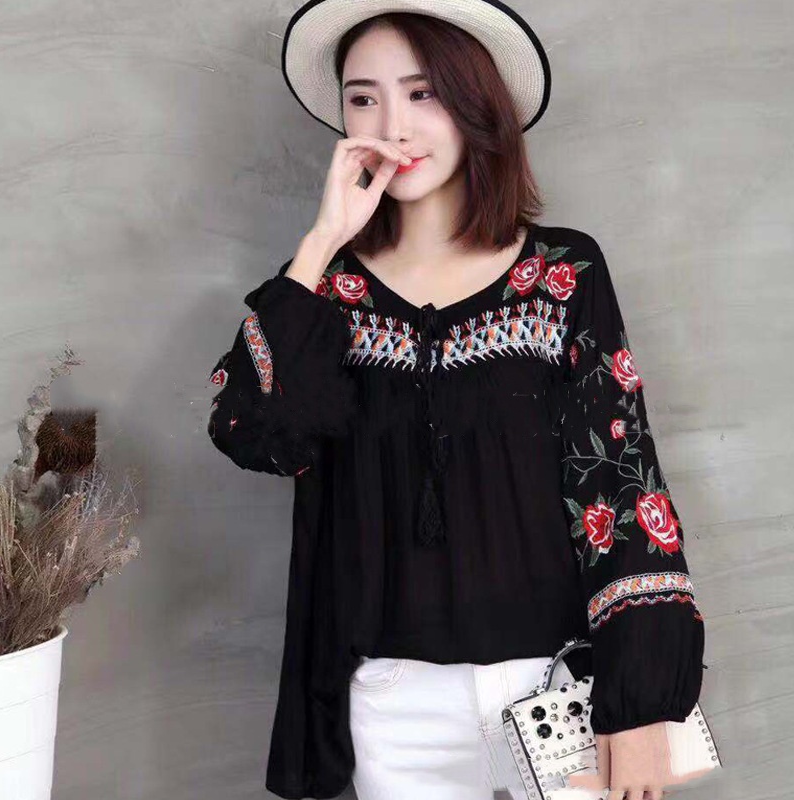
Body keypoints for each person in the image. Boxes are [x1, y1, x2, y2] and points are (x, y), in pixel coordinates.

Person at [206, 2, 708, 799]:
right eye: (363, 98)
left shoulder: (562, 275)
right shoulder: (324, 296)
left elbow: (620, 482)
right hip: (391, 700)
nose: (393, 125)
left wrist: (639, 704)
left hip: (559, 687)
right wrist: (323, 239)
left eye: (423, 93)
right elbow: (255, 433)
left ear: (475, 102)